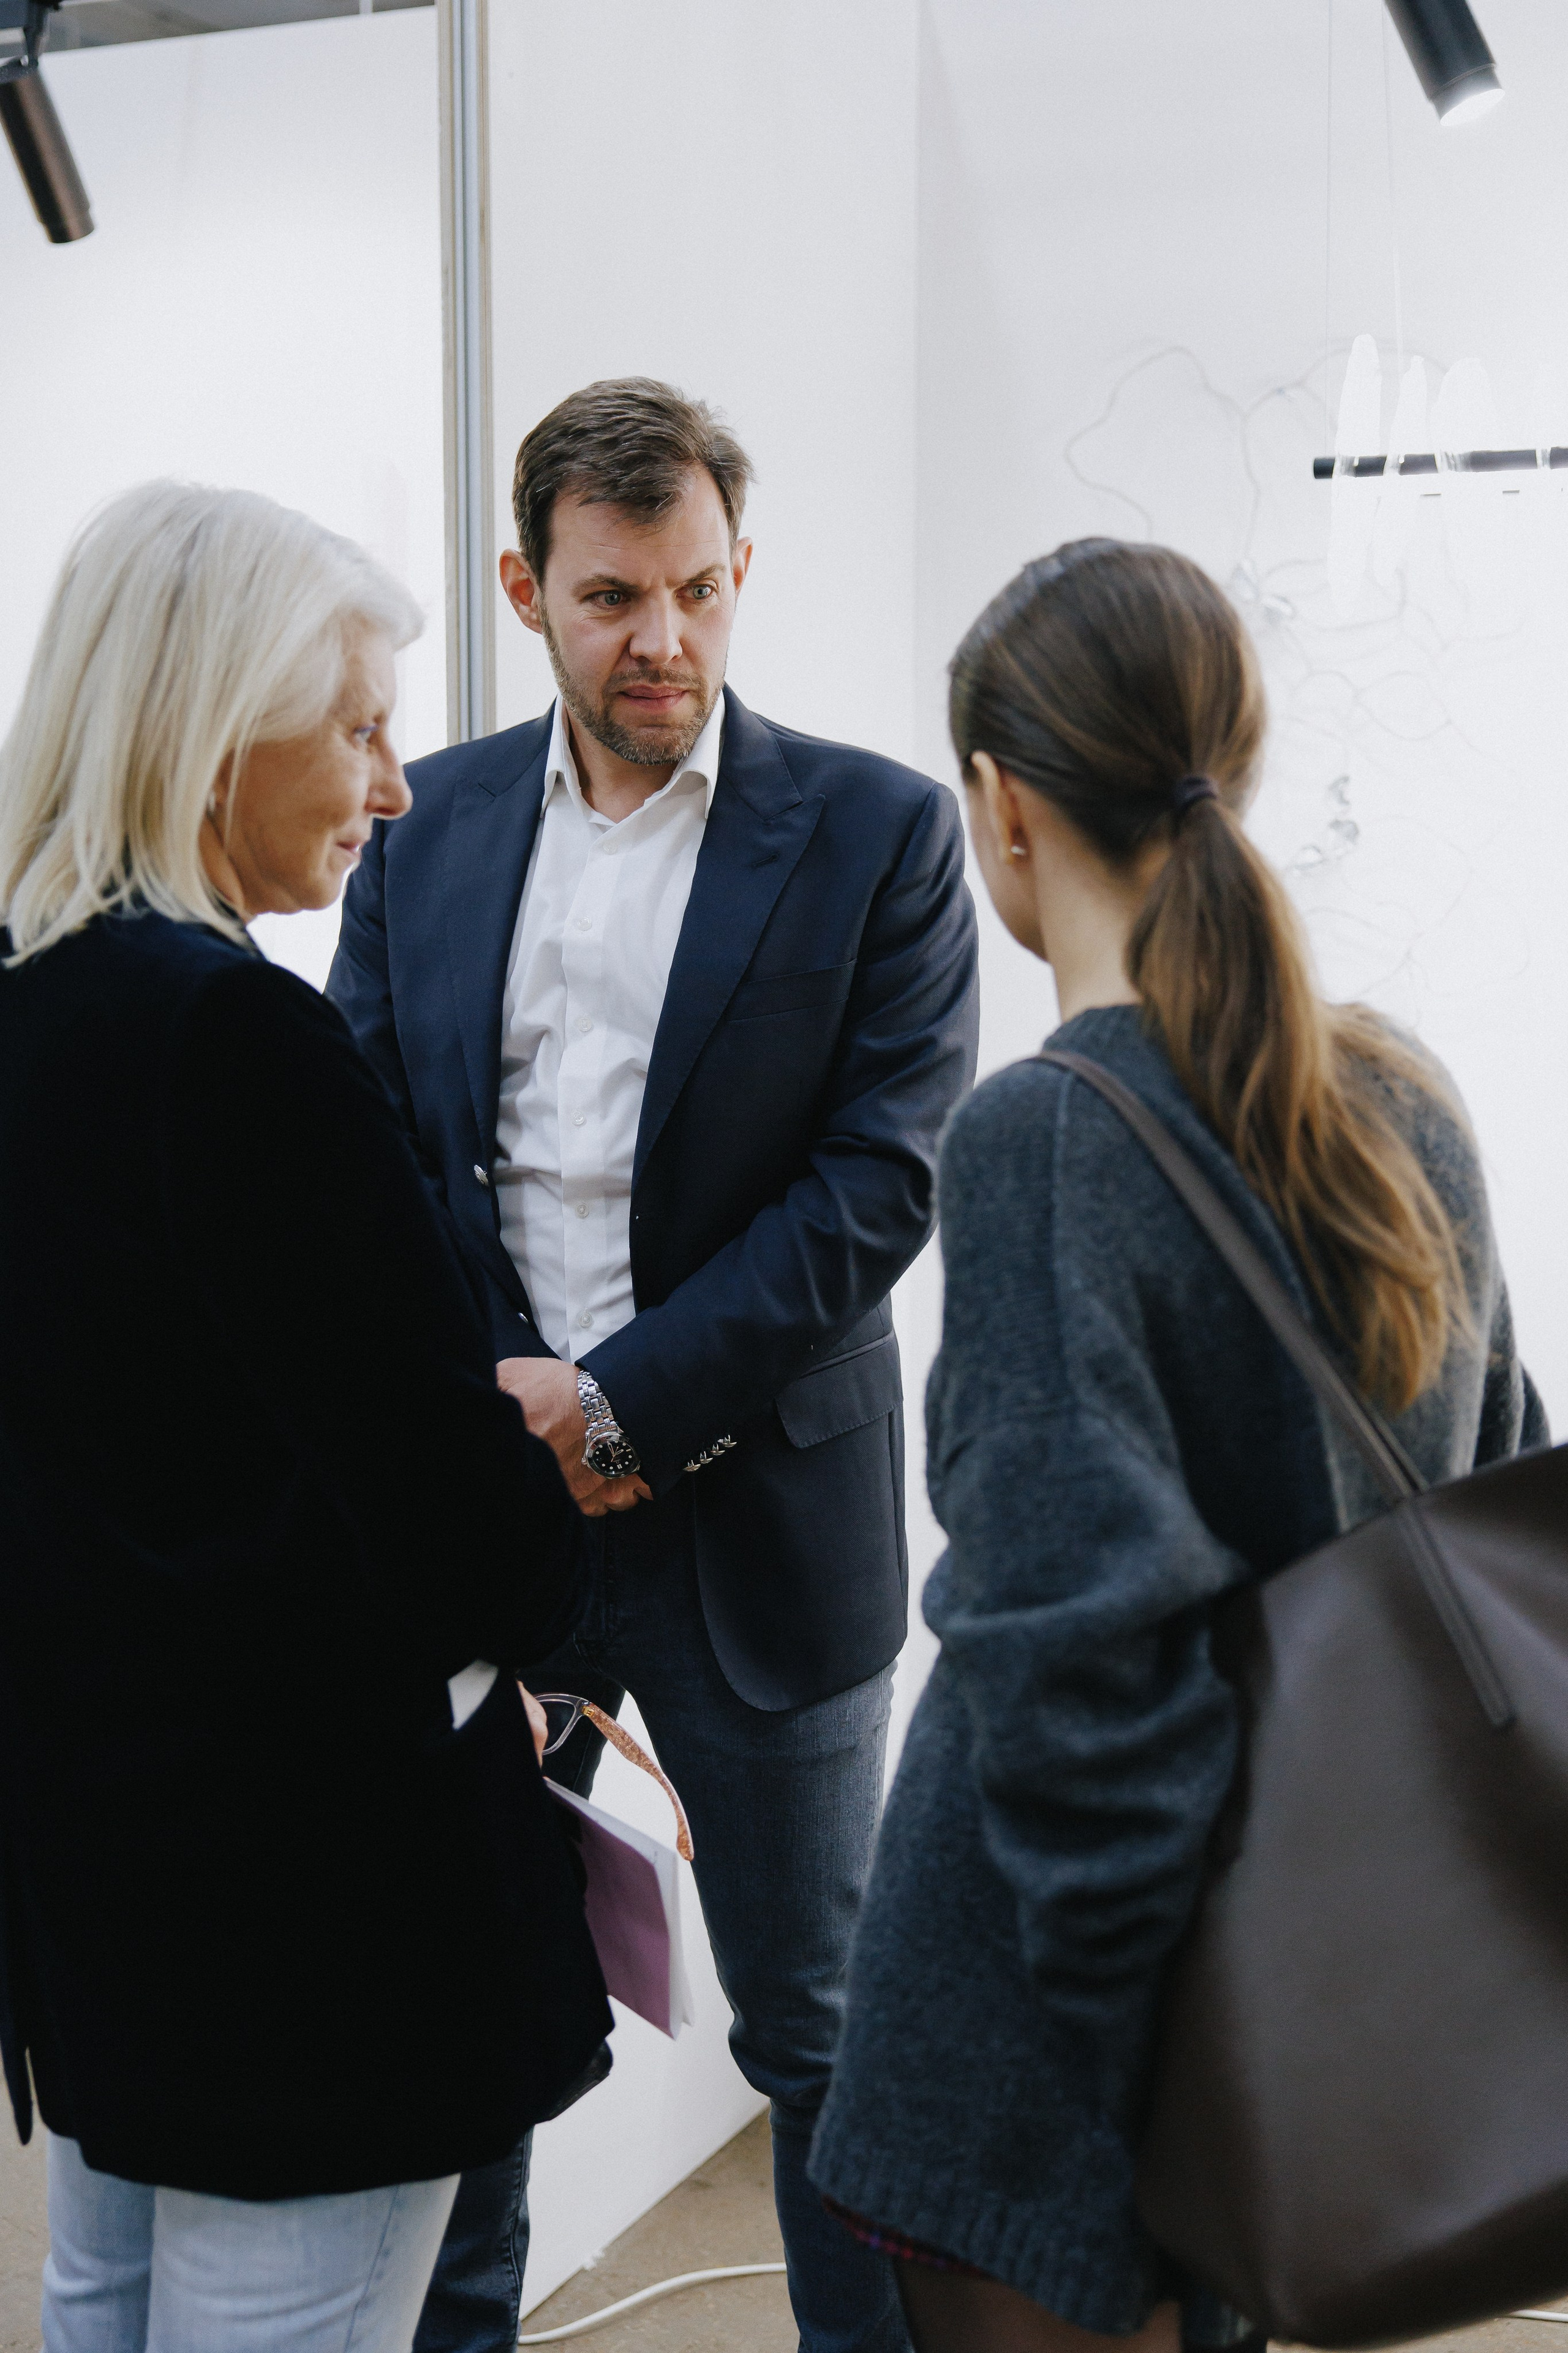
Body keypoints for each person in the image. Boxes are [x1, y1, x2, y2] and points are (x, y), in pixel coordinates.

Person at [809, 538, 1548, 2353]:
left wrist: (1160, 2108)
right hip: (1307, 1983)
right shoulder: (1407, 1097)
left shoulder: (1043, 1137)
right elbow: (1509, 1483)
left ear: (999, 804)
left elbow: (1072, 1660)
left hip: (1061, 2065)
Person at [327, 376, 979, 2353]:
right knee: (485, 2001)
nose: (667, 639)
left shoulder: (879, 831)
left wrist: (618, 1402)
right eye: (616, 597)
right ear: (529, 588)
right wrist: (512, 1398)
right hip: (494, 1524)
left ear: (742, 568)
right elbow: (363, 1144)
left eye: (701, 587)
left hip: (759, 1523)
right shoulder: (418, 825)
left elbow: (878, 1185)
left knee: (820, 2026)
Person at [0, 481, 612, 2353]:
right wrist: (532, 1459)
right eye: (357, 724)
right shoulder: (241, 1042)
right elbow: (438, 1515)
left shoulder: (31, 1009)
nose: (396, 783)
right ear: (207, 732)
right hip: (315, 1903)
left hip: (102, 1867)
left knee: (102, 2309)